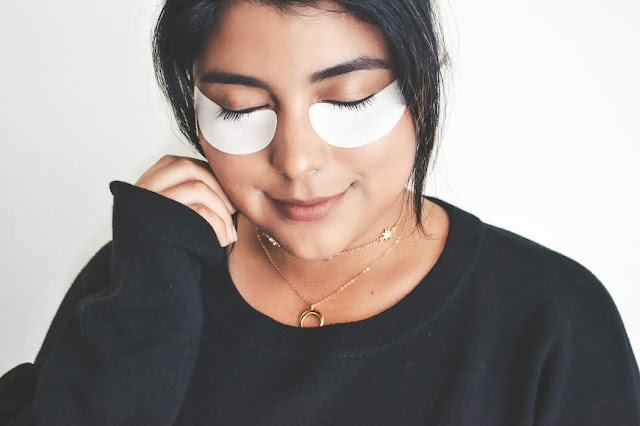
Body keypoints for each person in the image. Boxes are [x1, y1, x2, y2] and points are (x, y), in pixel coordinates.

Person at [1, 0, 639, 424]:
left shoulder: (551, 317)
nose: (297, 160)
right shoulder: (138, 279)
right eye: (241, 109)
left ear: (424, 84)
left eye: (350, 101)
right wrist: (146, 305)